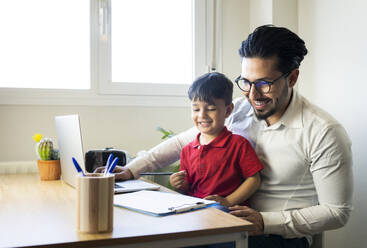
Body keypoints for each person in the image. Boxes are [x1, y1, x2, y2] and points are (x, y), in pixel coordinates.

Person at [95, 25, 353, 248]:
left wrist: (264, 221)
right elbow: (184, 140)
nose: (253, 95)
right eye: (246, 82)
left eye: (264, 83)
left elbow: (337, 212)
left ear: (293, 77)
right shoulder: (240, 109)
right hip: (222, 220)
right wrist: (130, 170)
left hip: (278, 236)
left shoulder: (323, 132)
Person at [169, 72, 263, 208]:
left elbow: (254, 179)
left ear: (228, 110)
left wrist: (228, 201)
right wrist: (178, 183)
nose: (202, 115)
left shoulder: (239, 144)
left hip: (228, 213)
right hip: (196, 211)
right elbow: (188, 187)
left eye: (211, 108)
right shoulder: (187, 150)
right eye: (196, 109)